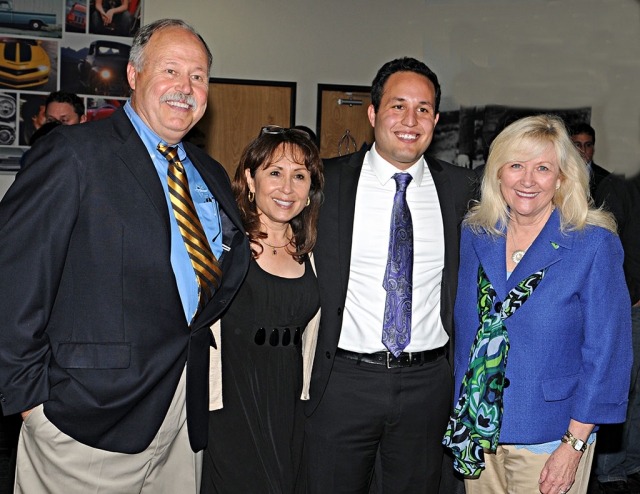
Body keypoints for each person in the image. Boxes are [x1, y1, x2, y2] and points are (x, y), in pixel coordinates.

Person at [0, 18, 250, 494]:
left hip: (181, 417)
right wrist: (32, 404)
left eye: (198, 76)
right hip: (84, 424)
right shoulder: (74, 154)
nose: (186, 87)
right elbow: (13, 280)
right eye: (171, 70)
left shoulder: (209, 171)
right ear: (134, 76)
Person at [304, 56, 477, 493]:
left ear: (436, 120)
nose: (410, 120)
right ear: (373, 113)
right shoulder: (324, 184)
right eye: (398, 105)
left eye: (423, 109)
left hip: (427, 386)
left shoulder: (462, 190)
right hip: (343, 383)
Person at [444, 115, 632, 494]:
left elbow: (608, 355)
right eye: (516, 166)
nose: (527, 180)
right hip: (477, 431)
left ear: (562, 177)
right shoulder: (475, 234)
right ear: (497, 174)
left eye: (542, 168)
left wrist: (575, 445)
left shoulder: (593, 245)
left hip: (552, 438)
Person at [201, 126, 324, 493]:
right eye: (274, 173)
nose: (287, 188)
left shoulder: (314, 252)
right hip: (230, 407)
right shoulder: (222, 244)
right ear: (249, 180)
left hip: (290, 407)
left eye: (299, 176)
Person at [592, 174, 640, 494]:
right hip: (628, 305)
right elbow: (605, 242)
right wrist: (627, 295)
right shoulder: (620, 188)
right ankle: (609, 469)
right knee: (622, 386)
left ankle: (632, 461)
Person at [570, 122, 609, 203]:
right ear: (569, 147)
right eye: (578, 145)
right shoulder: (559, 174)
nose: (583, 150)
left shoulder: (605, 179)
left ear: (593, 147)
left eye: (588, 145)